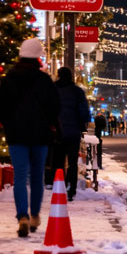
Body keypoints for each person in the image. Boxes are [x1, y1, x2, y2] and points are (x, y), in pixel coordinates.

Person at [0, 39, 60, 237]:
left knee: (20, 177)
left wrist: (9, 124)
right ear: (38, 57)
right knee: (37, 177)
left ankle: (22, 216)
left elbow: (0, 107)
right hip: (40, 135)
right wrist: (50, 125)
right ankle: (34, 216)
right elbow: (54, 107)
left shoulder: (9, 79)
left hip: (16, 135)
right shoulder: (44, 80)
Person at [53, 67, 90, 201]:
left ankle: (59, 187)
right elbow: (84, 112)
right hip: (73, 131)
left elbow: (48, 109)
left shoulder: (53, 90)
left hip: (58, 131)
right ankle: (72, 189)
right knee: (73, 161)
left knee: (58, 161)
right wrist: (82, 124)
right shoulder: (77, 92)